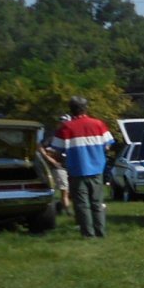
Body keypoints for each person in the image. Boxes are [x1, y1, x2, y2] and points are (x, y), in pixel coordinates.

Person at [54, 96, 111, 237]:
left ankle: (88, 234)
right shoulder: (99, 124)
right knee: (97, 202)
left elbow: (56, 150)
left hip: (77, 170)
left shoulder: (66, 128)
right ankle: (100, 232)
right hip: (97, 169)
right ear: (86, 108)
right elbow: (107, 146)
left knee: (82, 204)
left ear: (71, 110)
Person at [42, 115, 71, 213]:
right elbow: (41, 147)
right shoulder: (52, 136)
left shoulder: (71, 135)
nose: (63, 124)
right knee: (63, 190)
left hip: (70, 166)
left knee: (69, 191)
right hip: (58, 166)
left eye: (65, 122)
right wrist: (50, 159)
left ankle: (60, 207)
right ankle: (66, 211)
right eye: (61, 122)